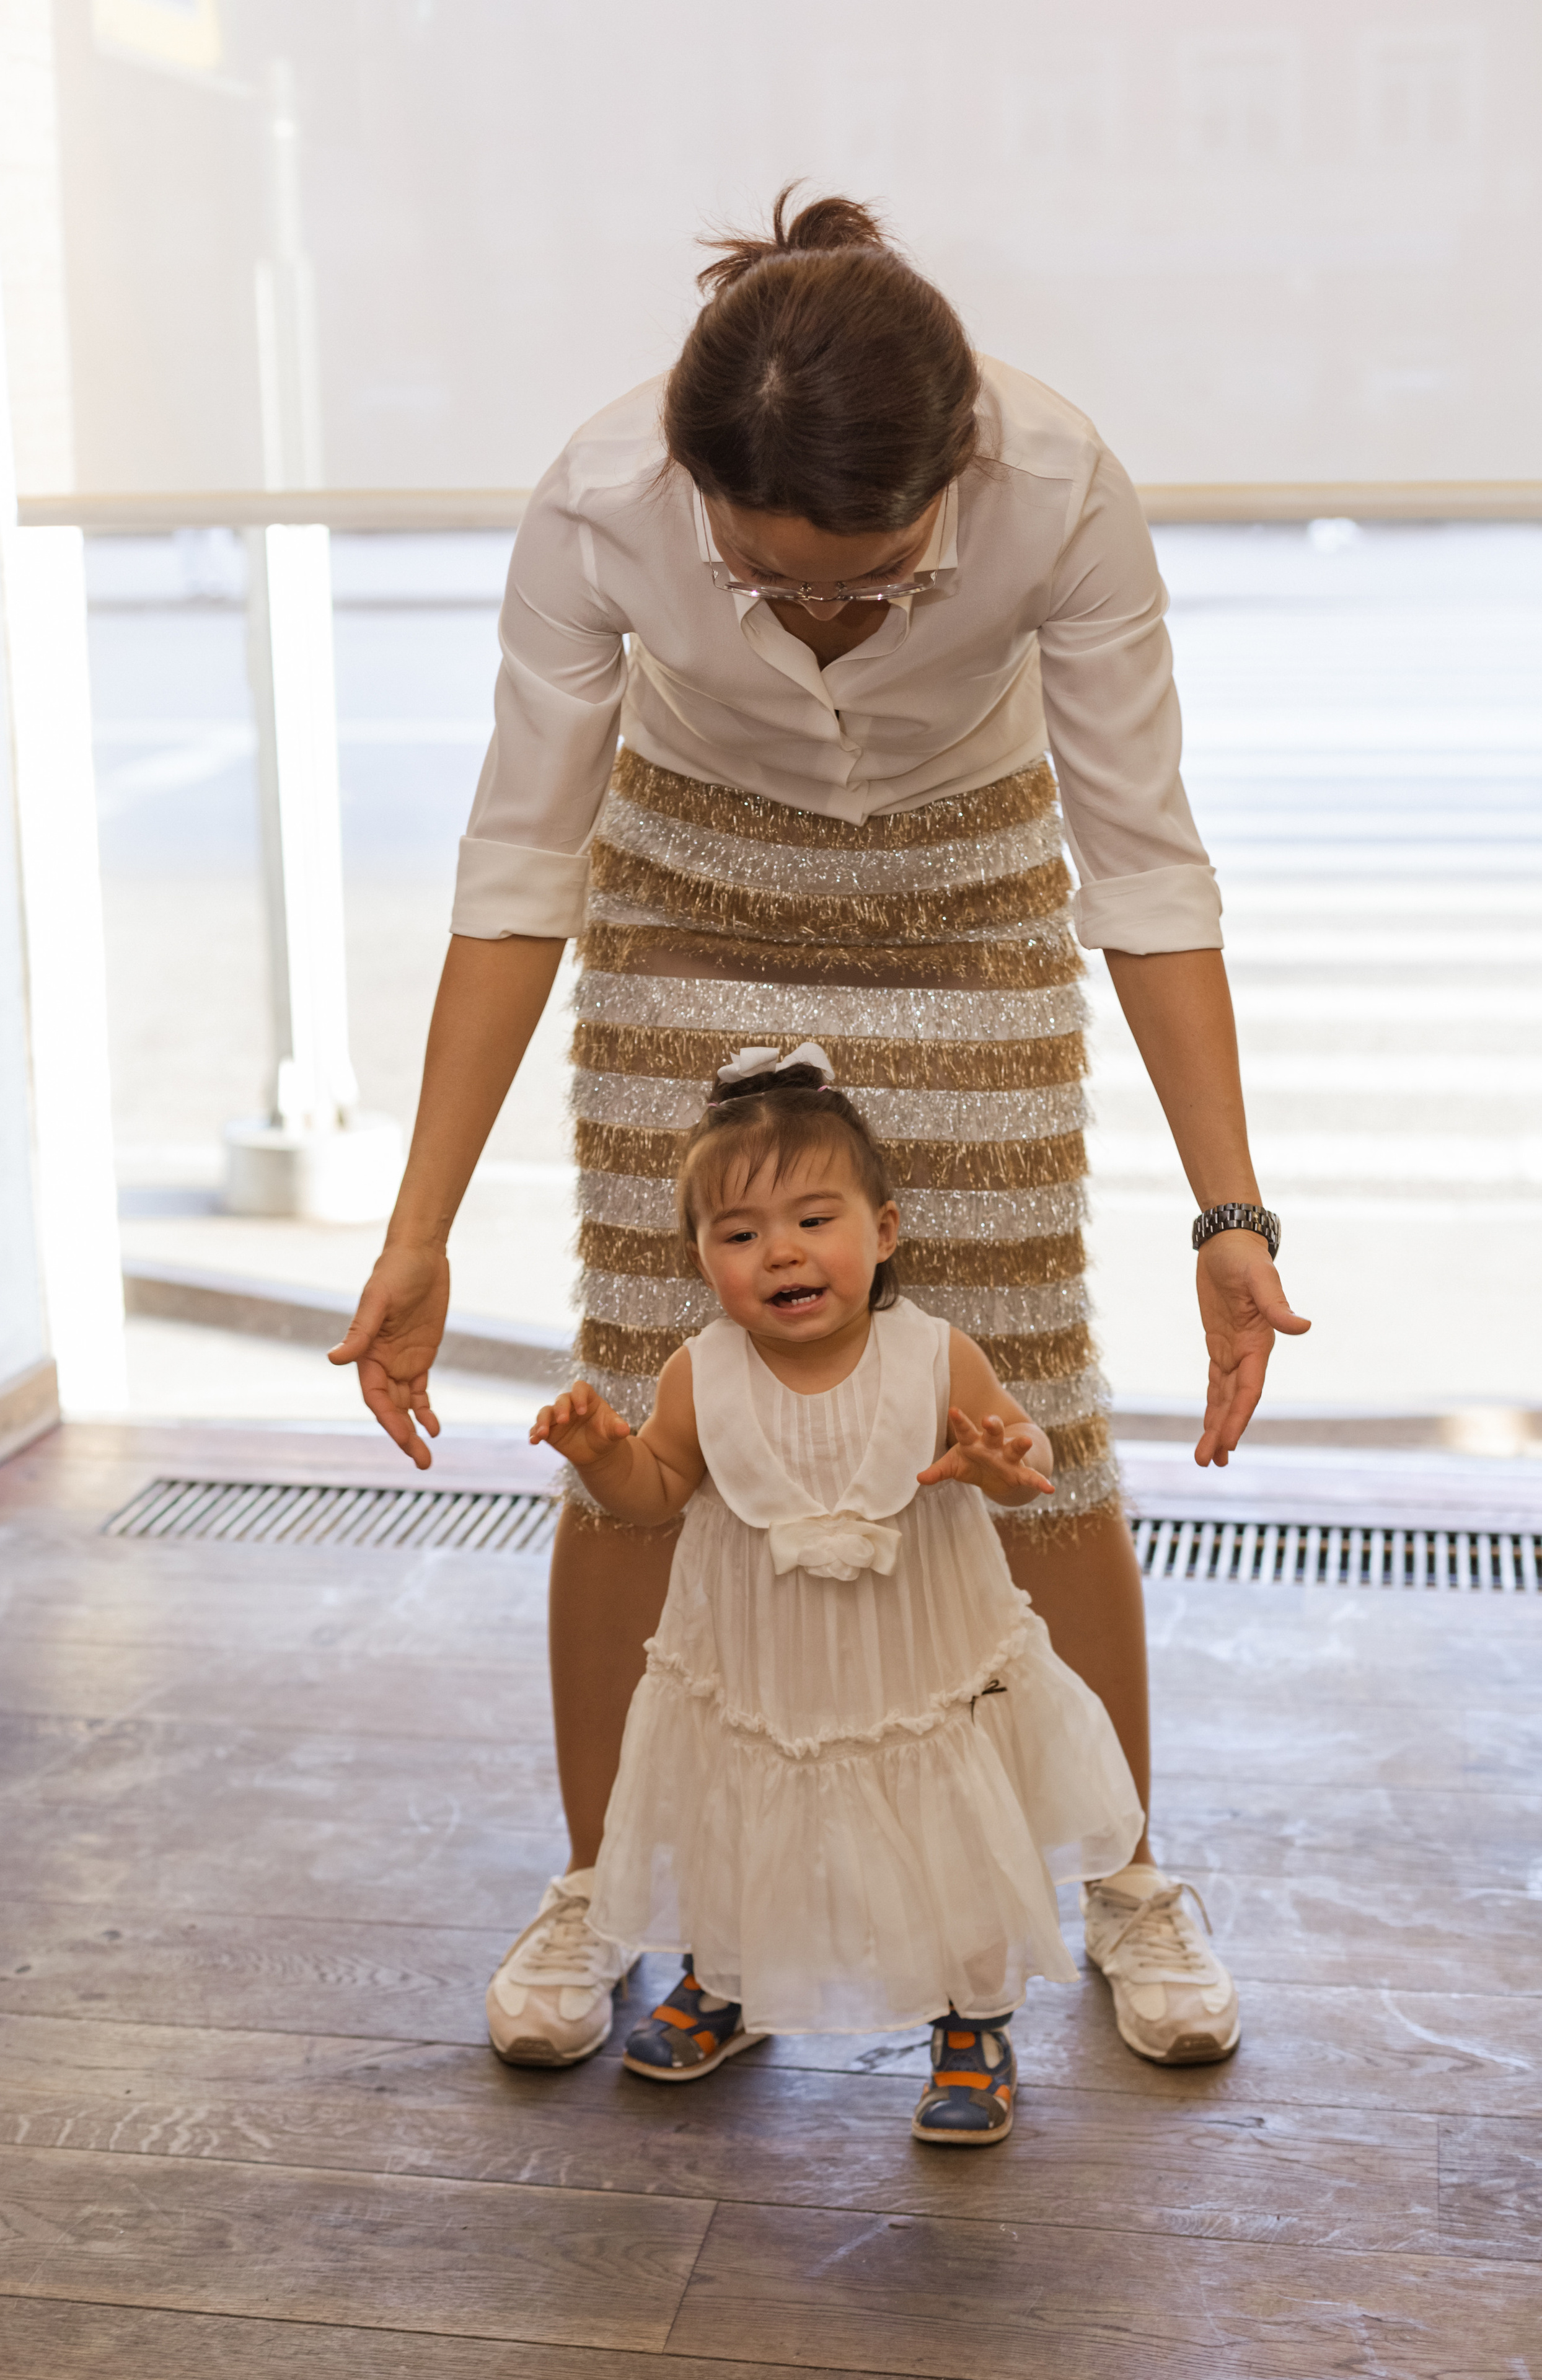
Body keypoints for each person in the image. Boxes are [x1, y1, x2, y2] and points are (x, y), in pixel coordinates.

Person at [329, 187, 1308, 2076]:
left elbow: (1146, 861)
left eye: (867, 575)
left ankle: (1122, 1871)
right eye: (770, 581)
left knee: (1026, 1397)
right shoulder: (602, 500)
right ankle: (604, 1876)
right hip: (692, 881)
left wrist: (1229, 1213)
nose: (825, 615)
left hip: (967, 895)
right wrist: (419, 1219)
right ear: (698, 496)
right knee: (648, 1387)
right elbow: (522, 864)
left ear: (956, 476)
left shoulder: (1065, 485)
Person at [531, 1047, 1144, 2144]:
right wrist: (598, 1455)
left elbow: (1018, 1462)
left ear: (886, 1231)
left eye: (815, 1220)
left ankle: (971, 2020)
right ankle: (726, 1980)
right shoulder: (698, 1373)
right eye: (741, 1233)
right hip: (759, 1666)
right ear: (701, 1259)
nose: (783, 1252)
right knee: (734, 1808)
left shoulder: (934, 1357)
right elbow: (655, 1491)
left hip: (918, 1662)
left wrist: (1006, 1459)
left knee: (943, 1827)